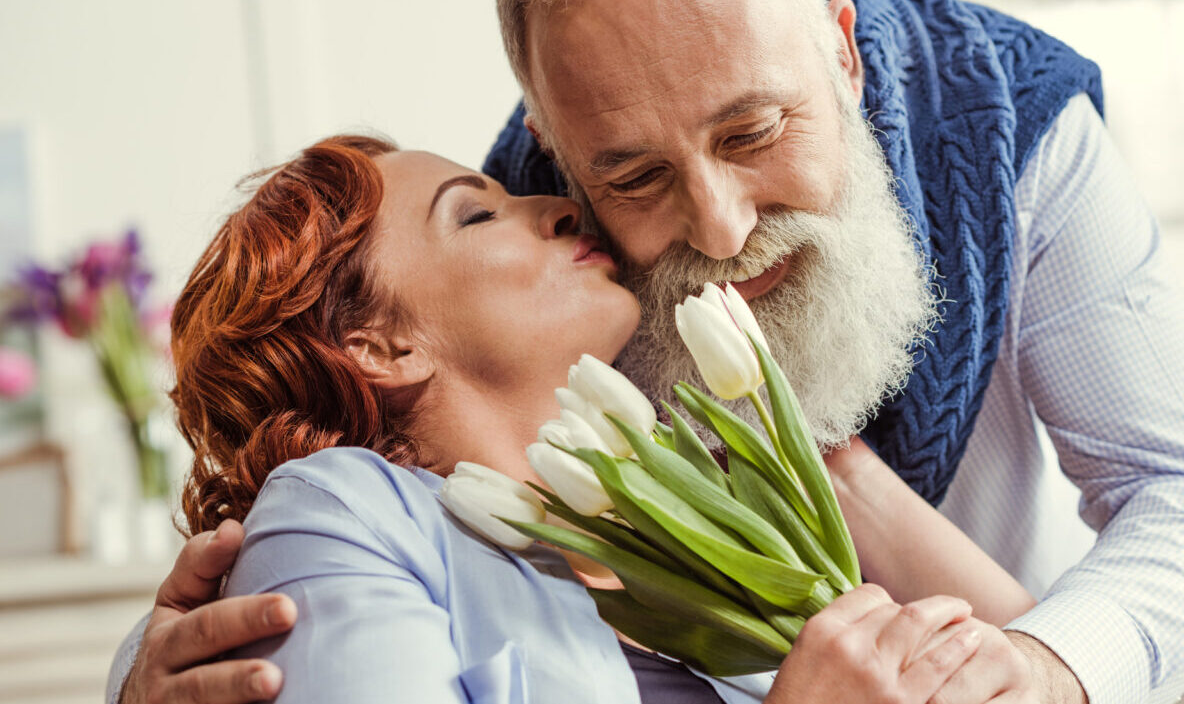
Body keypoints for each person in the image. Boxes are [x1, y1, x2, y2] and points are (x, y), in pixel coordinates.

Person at [110, 0, 1184, 702]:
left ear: (842, 51)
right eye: (629, 176)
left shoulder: (1013, 125)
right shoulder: (549, 277)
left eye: (755, 128)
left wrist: (1043, 665)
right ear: (560, 149)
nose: (717, 227)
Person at [115, 133, 1037, 704]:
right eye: (478, 215)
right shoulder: (338, 512)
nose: (559, 206)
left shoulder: (673, 527)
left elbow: (1037, 657)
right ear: (381, 344)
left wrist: (818, 456)